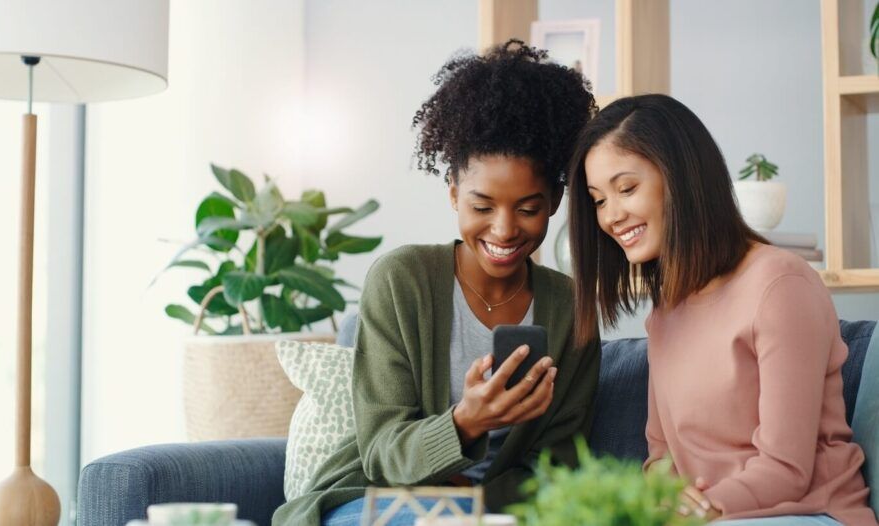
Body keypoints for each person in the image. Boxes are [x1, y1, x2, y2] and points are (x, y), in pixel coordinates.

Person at [272, 40, 601, 526]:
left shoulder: (572, 310)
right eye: (482, 206)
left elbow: (558, 468)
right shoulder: (401, 281)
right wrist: (466, 421)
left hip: (492, 516)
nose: (504, 229)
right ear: (453, 194)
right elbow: (382, 452)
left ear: (554, 200)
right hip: (377, 499)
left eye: (528, 209)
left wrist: (472, 504)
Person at [568, 93, 877, 525]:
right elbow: (660, 457)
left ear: (681, 178)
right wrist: (665, 503)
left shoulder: (780, 284)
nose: (611, 216)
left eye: (627, 189)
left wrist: (701, 509)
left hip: (811, 513)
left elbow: (786, 470)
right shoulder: (666, 311)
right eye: (599, 200)